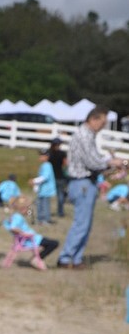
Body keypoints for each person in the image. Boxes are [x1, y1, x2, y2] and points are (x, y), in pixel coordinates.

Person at [57, 107, 114, 268]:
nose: (103, 127)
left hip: (85, 182)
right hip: (82, 182)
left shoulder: (87, 135)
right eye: (102, 123)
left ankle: (76, 258)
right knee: (82, 223)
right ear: (93, 119)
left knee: (85, 223)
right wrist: (111, 162)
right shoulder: (84, 135)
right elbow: (92, 162)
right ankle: (66, 257)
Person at [3, 196, 59, 265]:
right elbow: (13, 228)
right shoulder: (18, 217)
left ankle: (36, 258)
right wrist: (23, 233)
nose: (29, 210)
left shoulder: (16, 216)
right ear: (23, 208)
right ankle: (37, 259)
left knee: (51, 243)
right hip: (31, 240)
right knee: (54, 243)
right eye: (28, 208)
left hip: (31, 238)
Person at [31, 149, 57, 224]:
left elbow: (45, 177)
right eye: (40, 155)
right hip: (42, 190)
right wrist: (36, 186)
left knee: (45, 205)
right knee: (39, 204)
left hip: (46, 190)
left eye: (42, 155)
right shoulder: (43, 166)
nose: (40, 157)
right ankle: (40, 219)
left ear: (47, 157)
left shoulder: (47, 165)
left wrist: (34, 181)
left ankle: (45, 219)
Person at [47, 137, 67, 216]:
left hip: (51, 176)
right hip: (60, 176)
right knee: (60, 195)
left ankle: (46, 211)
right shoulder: (62, 153)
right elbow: (65, 164)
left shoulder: (49, 153)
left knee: (47, 194)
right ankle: (60, 211)